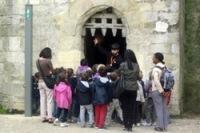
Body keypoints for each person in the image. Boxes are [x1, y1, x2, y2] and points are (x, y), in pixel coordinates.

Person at [119, 49, 140, 131]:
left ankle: (125, 124)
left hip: (124, 88)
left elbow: (119, 74)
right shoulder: (136, 66)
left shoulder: (122, 65)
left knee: (125, 107)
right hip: (134, 88)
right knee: (132, 107)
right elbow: (138, 77)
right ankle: (130, 126)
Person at [151, 52, 169, 132]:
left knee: (158, 108)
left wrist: (161, 91)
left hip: (157, 90)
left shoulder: (156, 68)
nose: (152, 59)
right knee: (164, 108)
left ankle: (160, 127)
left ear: (157, 59)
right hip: (166, 90)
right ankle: (165, 126)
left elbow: (156, 81)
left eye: (153, 57)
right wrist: (164, 91)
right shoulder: (165, 67)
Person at [36, 47, 54, 123]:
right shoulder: (48, 61)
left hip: (40, 81)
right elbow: (52, 71)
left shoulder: (37, 61)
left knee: (42, 99)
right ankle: (50, 117)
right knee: (49, 100)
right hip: (47, 82)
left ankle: (43, 117)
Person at [92, 65, 112, 129]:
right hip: (105, 99)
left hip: (96, 98)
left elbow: (93, 90)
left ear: (99, 72)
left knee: (97, 111)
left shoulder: (95, 80)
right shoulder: (108, 82)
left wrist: (93, 98)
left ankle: (97, 124)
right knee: (103, 112)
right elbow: (109, 92)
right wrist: (109, 100)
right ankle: (101, 125)